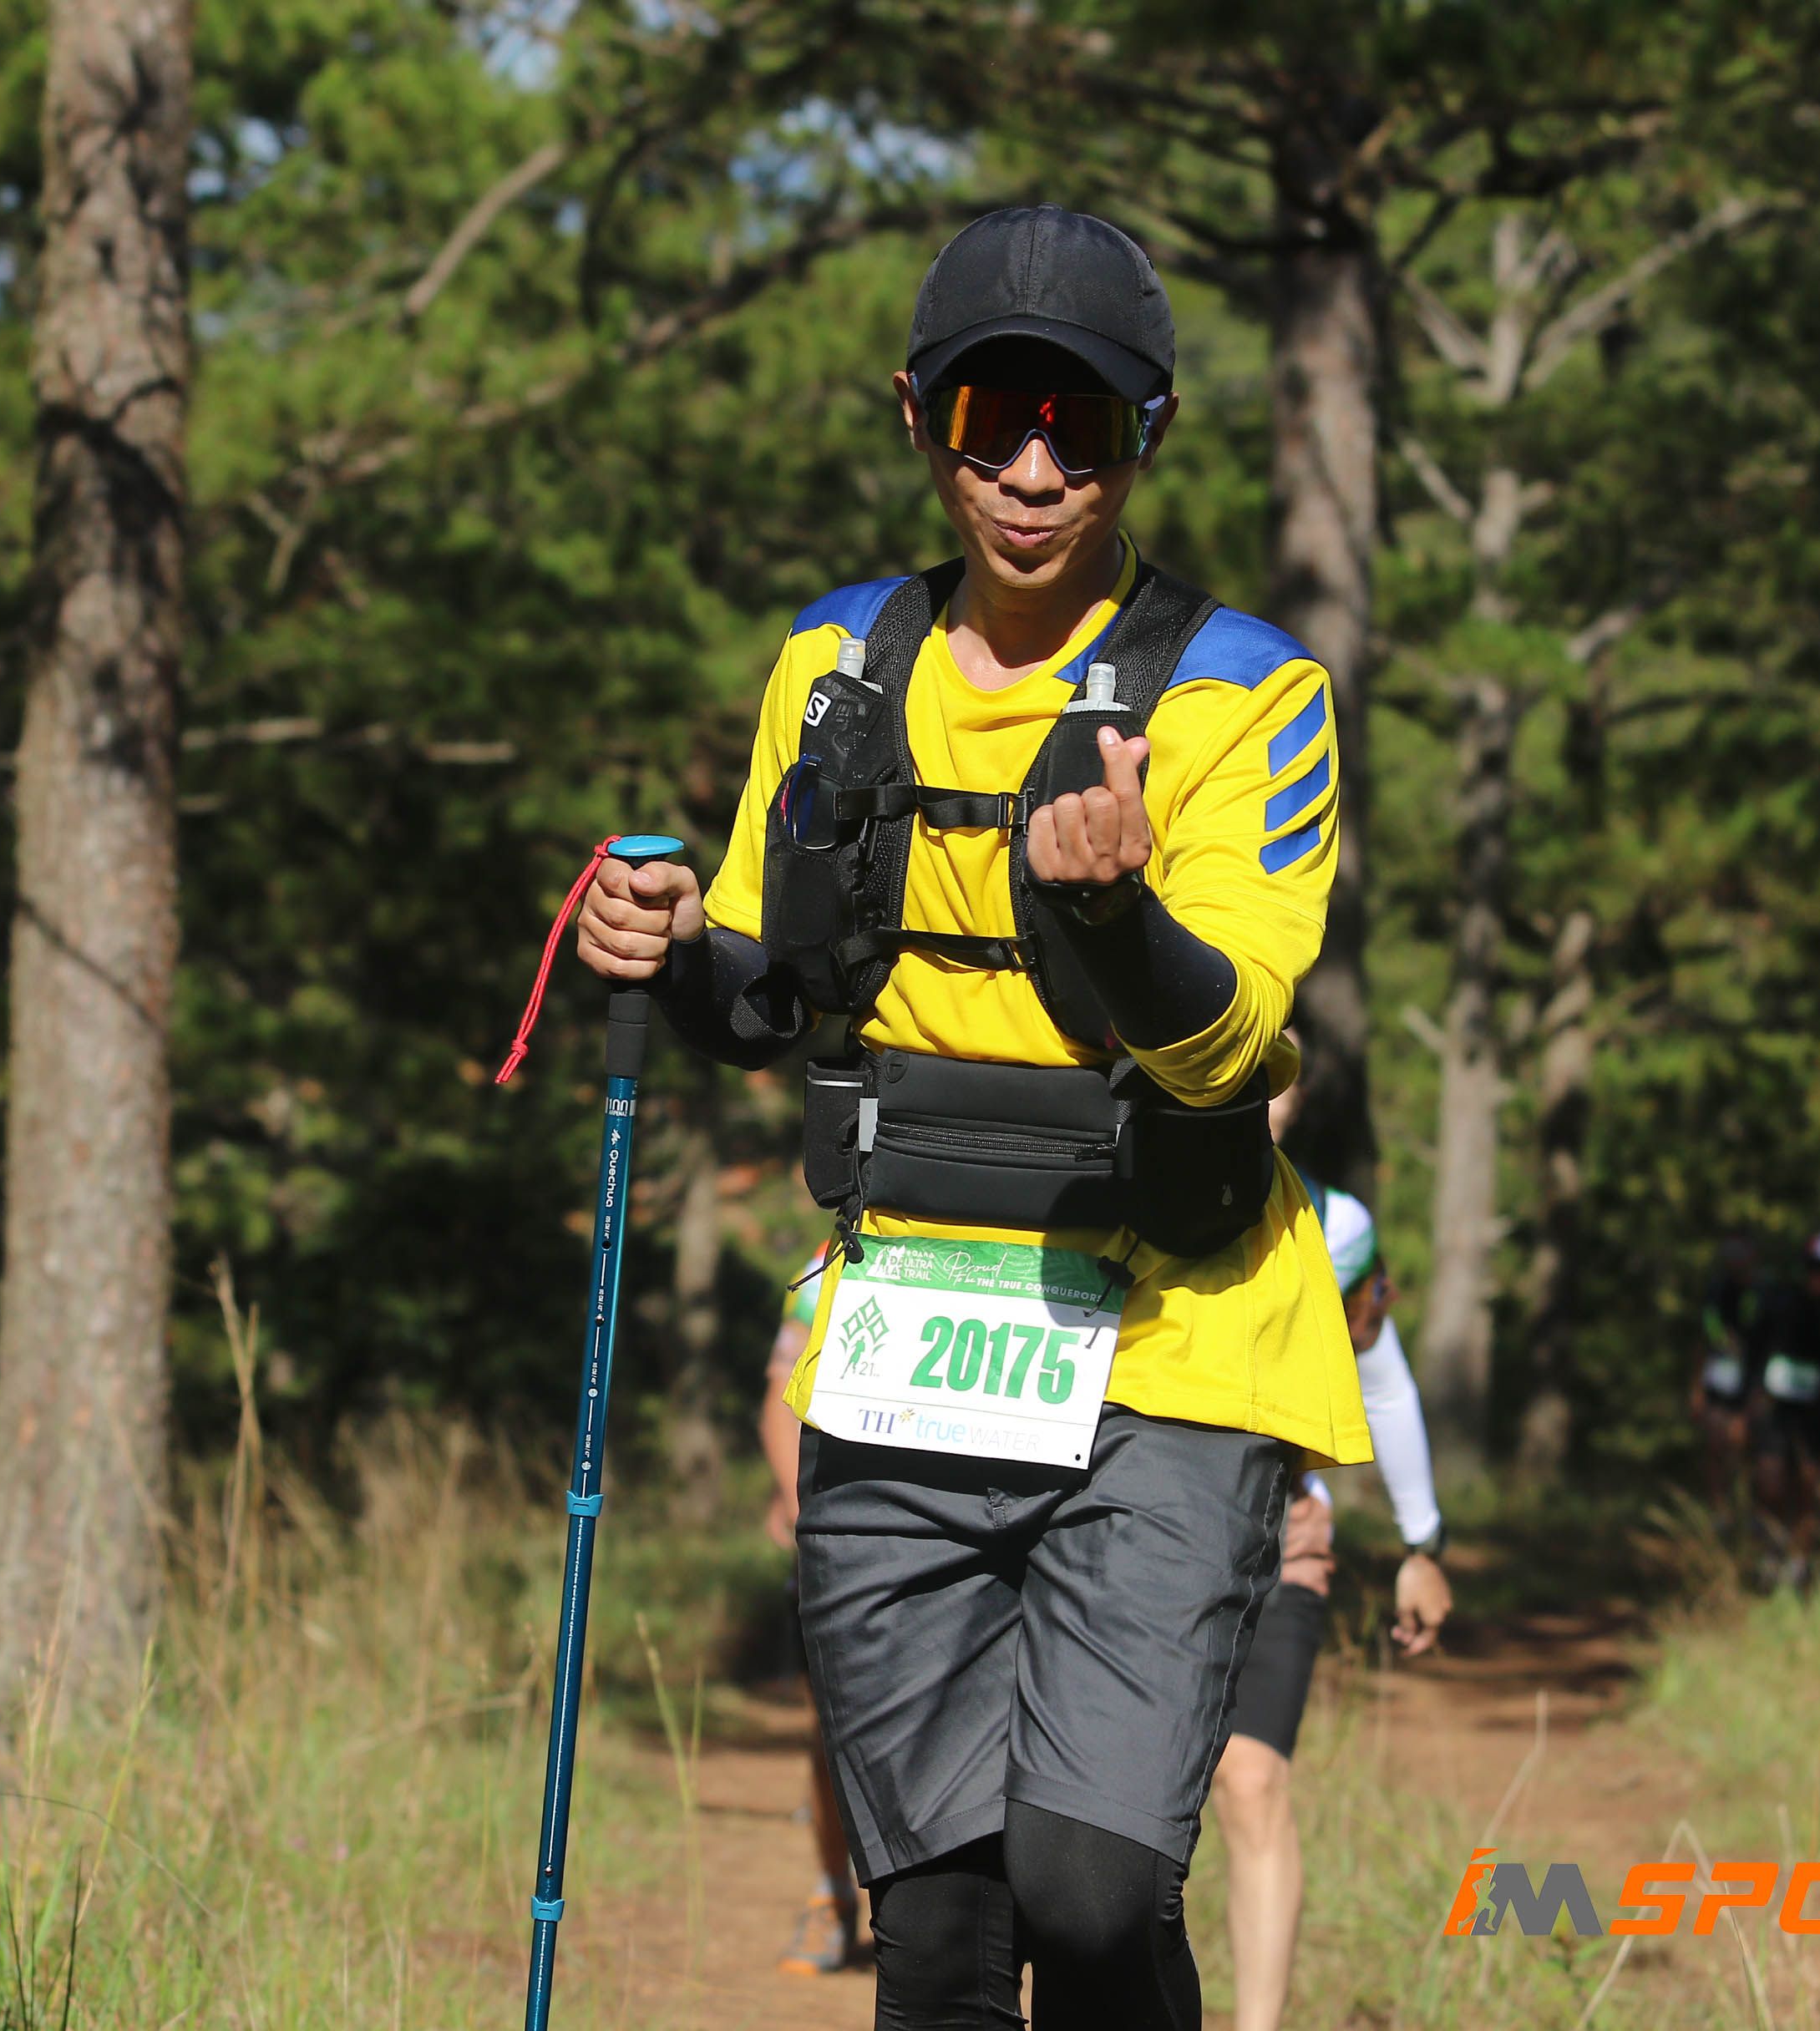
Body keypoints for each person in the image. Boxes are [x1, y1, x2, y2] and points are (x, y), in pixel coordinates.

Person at [576, 204, 1368, 2031]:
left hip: (1169, 1333)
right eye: (988, 415)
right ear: (917, 413)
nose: (1029, 468)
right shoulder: (835, 660)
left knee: (1087, 1893)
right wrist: (673, 944)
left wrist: (1113, 913)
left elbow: (1234, 1039)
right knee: (934, 1924)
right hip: (911, 1329)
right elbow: (770, 992)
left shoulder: (1248, 692)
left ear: (1146, 435)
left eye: (1079, 424)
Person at [1206, 1061, 1451, 2031]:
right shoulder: (1114, 1182)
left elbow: (1382, 1380)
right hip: (1123, 1532)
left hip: (1284, 1534)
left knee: (1251, 1778)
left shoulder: (1337, 1227)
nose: (1255, 1098)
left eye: (1272, 1076)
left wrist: (1423, 1541)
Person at [758, 1238, 864, 1976]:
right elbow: (779, 1396)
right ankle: (832, 1891)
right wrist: (803, 1510)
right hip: (841, 1521)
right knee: (832, 1726)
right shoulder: (825, 1261)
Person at [1749, 1233, 1820, 1583]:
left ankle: (1799, 1564)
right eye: (1813, 1269)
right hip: (1776, 1410)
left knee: (1809, 1487)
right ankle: (1770, 1555)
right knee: (1771, 1482)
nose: (1818, 1277)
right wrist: (1751, 1397)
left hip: (1817, 1416)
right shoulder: (1778, 1305)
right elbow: (1756, 1351)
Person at [1691, 1234, 1766, 1526]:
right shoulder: (1716, 1290)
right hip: (1718, 1381)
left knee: (1746, 1446)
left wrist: (1758, 1393)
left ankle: (1752, 1513)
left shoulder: (1764, 1293)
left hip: (1751, 1384)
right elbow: (1703, 1339)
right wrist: (1696, 1388)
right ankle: (1719, 1513)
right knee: (1715, 1444)